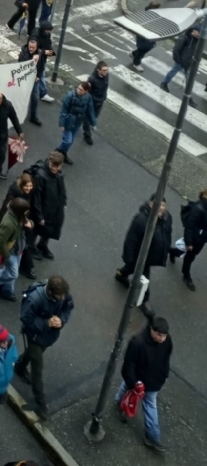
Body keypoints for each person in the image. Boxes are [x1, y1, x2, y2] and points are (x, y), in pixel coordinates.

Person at [15, 275, 73, 420]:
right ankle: (40, 402)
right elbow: (26, 319)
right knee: (37, 368)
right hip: (35, 335)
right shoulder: (34, 299)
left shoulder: (64, 294)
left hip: (48, 336)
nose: (63, 297)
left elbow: (68, 307)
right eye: (60, 296)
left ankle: (19, 366)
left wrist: (62, 320)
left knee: (35, 353)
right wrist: (47, 323)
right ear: (52, 293)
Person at [115, 317, 172, 453]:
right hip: (141, 380)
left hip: (152, 381)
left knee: (127, 388)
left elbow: (166, 359)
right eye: (159, 335)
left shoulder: (166, 340)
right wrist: (134, 382)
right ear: (151, 330)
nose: (162, 339)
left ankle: (118, 403)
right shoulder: (137, 343)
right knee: (149, 404)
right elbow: (128, 366)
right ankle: (152, 437)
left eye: (164, 335)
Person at [116, 196, 172, 309]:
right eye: (158, 205)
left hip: (151, 254)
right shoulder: (141, 220)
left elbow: (167, 233)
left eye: (163, 206)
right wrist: (129, 257)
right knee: (145, 276)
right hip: (141, 255)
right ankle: (144, 301)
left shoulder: (167, 217)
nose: (161, 208)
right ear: (151, 204)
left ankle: (121, 274)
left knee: (133, 267)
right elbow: (131, 240)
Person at [0, 197, 32, 300]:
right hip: (12, 252)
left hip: (18, 250)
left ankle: (6, 291)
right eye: (26, 210)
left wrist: (30, 224)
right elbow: (1, 242)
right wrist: (7, 256)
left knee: (10, 272)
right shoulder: (9, 224)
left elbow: (29, 222)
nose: (28, 212)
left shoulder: (18, 215)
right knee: (13, 274)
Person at [26, 151, 66, 261]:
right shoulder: (40, 175)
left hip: (55, 207)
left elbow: (61, 188)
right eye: (52, 165)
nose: (54, 169)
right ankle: (30, 246)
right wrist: (39, 216)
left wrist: (63, 202)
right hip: (43, 208)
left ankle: (42, 244)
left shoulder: (59, 173)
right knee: (36, 229)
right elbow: (36, 197)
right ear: (49, 162)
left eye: (57, 166)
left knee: (52, 228)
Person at [170, 189, 207, 290]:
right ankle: (186, 276)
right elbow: (189, 226)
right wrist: (189, 242)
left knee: (189, 254)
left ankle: (172, 252)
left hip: (201, 238)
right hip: (194, 238)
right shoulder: (198, 208)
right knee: (189, 256)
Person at [57, 81, 97, 164]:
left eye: (81, 90)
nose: (78, 90)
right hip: (69, 121)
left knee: (70, 141)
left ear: (86, 91)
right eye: (78, 88)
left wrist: (93, 123)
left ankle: (62, 154)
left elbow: (90, 110)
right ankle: (58, 152)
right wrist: (62, 123)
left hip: (78, 122)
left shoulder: (88, 97)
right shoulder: (70, 96)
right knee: (68, 140)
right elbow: (63, 111)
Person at [160, 25, 202, 93]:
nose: (199, 35)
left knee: (189, 79)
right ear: (194, 31)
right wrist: (179, 61)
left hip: (188, 62)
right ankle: (164, 83)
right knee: (172, 72)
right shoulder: (183, 38)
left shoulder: (196, 40)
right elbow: (176, 50)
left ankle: (188, 94)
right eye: (198, 33)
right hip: (180, 62)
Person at [84, 60, 108, 144]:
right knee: (87, 118)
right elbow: (87, 90)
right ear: (98, 70)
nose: (106, 72)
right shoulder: (92, 79)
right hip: (92, 102)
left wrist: (104, 97)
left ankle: (90, 123)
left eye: (106, 70)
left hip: (100, 101)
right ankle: (87, 135)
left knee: (94, 116)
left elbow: (105, 87)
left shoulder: (106, 76)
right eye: (104, 70)